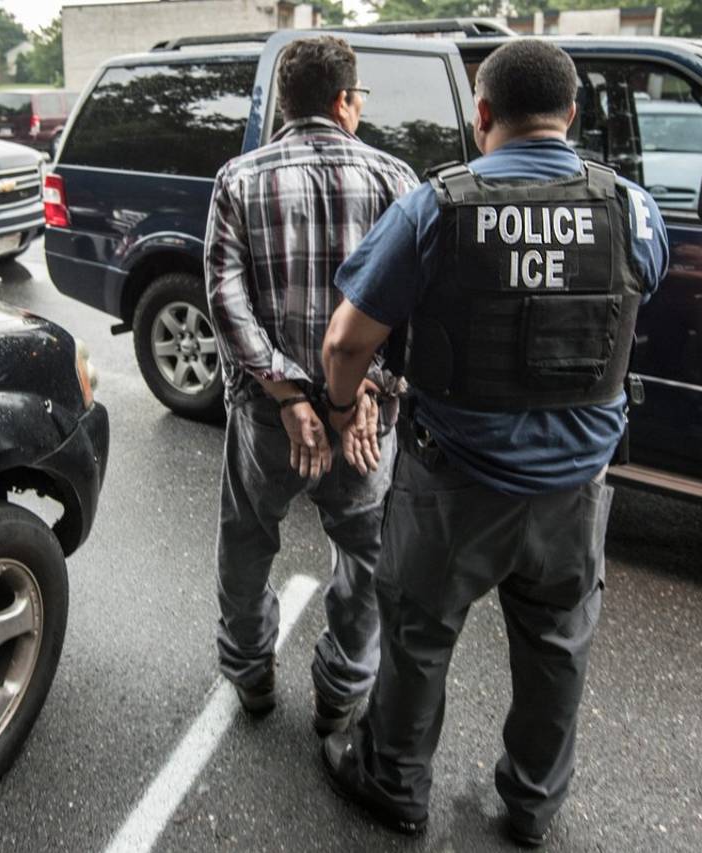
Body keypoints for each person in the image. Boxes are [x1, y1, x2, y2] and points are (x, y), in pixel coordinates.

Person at [318, 40, 668, 846]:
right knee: (557, 648)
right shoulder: (630, 207)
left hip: (453, 485)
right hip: (575, 492)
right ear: (570, 114)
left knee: (417, 635)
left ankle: (394, 784)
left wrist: (342, 409)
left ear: (482, 113)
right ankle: (534, 805)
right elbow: (631, 295)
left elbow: (345, 341)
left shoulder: (436, 209)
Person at [203, 36, 418, 735]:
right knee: (365, 556)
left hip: (270, 420)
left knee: (247, 541)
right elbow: (416, 314)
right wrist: (366, 389)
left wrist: (288, 393)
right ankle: (341, 690)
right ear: (344, 100)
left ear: (285, 104)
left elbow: (224, 300)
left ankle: (251, 674)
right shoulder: (396, 179)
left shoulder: (239, 179)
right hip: (364, 423)